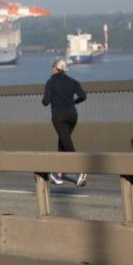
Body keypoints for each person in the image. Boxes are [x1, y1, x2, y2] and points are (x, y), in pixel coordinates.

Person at [42, 59, 88, 187]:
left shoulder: (51, 82)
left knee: (67, 143)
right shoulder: (73, 82)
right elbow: (83, 96)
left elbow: (45, 101)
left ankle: (80, 170)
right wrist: (75, 102)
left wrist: (50, 97)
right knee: (63, 140)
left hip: (59, 116)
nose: (52, 68)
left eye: (53, 67)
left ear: (56, 68)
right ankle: (58, 173)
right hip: (72, 115)